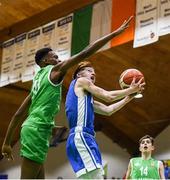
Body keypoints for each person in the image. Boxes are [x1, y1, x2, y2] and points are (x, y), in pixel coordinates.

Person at [1, 16, 133, 179]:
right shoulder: (55, 71)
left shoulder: (37, 83)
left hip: (39, 130)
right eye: (55, 57)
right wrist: (115, 33)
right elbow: (86, 52)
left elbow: (18, 114)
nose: (59, 60)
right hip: (37, 129)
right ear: (45, 61)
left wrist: (7, 143)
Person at [65, 61, 145, 179]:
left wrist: (128, 97)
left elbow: (108, 110)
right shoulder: (80, 82)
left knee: (91, 177)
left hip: (84, 138)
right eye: (89, 71)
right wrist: (130, 90)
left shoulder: (85, 98)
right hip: (81, 136)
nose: (93, 74)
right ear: (79, 75)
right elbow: (108, 96)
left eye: (94, 73)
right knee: (97, 177)